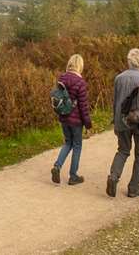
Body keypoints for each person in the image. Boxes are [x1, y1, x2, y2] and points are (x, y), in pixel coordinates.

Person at [107, 48, 139, 198]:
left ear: (129, 61)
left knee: (123, 150)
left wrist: (115, 122)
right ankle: (133, 188)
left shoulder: (119, 78)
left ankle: (113, 177)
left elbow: (116, 102)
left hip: (122, 120)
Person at [52, 53, 92, 185]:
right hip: (76, 121)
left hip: (64, 117)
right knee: (77, 145)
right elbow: (83, 106)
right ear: (80, 65)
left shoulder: (62, 78)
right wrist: (88, 125)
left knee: (67, 143)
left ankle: (57, 166)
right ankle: (73, 176)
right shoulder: (80, 82)